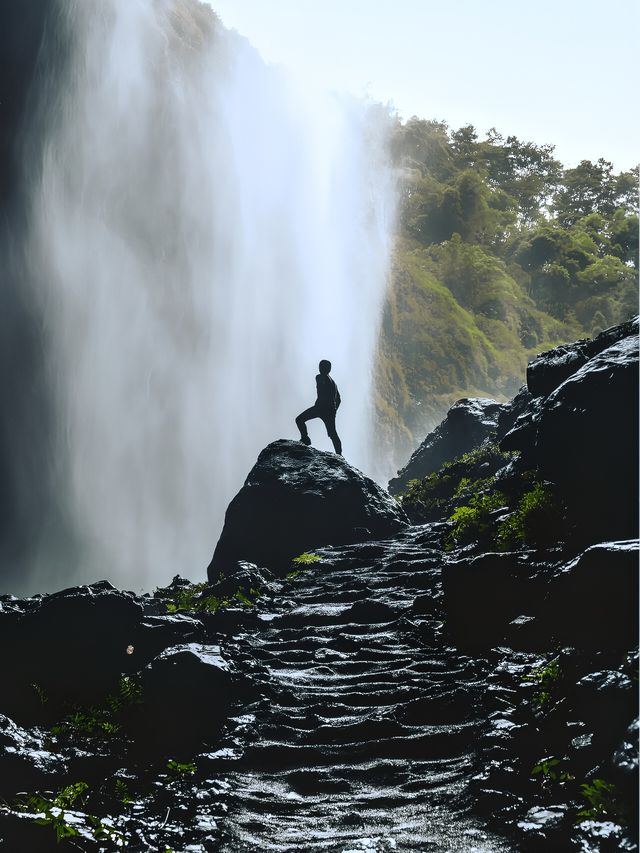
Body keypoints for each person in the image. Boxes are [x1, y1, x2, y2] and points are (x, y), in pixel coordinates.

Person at [296, 360, 342, 454]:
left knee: (299, 419)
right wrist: (334, 410)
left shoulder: (320, 377)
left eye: (322, 367)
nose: (320, 368)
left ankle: (305, 438)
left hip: (320, 408)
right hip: (329, 410)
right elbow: (339, 399)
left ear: (328, 369)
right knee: (333, 434)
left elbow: (321, 384)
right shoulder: (334, 384)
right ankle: (339, 454)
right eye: (320, 366)